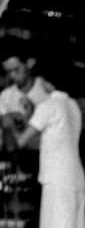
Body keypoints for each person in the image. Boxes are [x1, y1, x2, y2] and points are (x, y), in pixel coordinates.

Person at [10, 57, 85, 228]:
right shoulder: (72, 106)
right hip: (75, 177)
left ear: (46, 80)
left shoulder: (48, 105)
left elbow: (22, 141)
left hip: (57, 179)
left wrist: (20, 117)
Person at [0, 37, 49, 169]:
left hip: (48, 161)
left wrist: (30, 117)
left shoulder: (46, 92)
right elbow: (9, 144)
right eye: (8, 72)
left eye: (16, 70)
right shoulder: (5, 96)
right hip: (20, 162)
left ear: (30, 63)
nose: (12, 76)